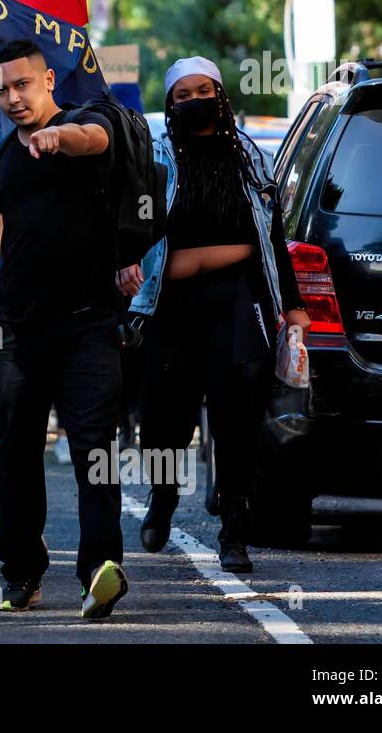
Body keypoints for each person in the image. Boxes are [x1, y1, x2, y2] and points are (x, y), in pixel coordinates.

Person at [0, 38, 128, 618]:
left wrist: (58, 137)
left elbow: (92, 139)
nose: (11, 98)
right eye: (0, 89)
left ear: (48, 81)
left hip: (88, 325)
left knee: (94, 449)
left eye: (22, 85)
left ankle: (100, 570)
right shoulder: (5, 157)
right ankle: (22, 573)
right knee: (17, 454)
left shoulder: (87, 122)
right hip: (19, 329)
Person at [119, 56, 309, 573]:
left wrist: (293, 307)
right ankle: (163, 497)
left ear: (220, 95)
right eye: (182, 95)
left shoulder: (248, 156)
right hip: (169, 306)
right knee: (165, 419)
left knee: (238, 421)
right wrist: (124, 265)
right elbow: (130, 230)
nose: (193, 101)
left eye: (203, 90)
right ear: (170, 103)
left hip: (236, 303)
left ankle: (235, 533)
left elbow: (270, 237)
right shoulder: (153, 159)